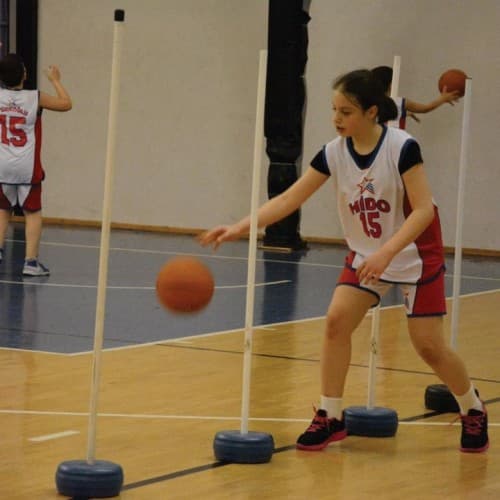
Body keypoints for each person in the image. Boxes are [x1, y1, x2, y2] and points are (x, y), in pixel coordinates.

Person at [199, 69, 489, 453]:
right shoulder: (334, 152)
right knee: (336, 322)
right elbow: (289, 199)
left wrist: (388, 252)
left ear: (371, 112)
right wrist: (241, 225)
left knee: (428, 346)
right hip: (367, 253)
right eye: (333, 109)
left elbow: (421, 212)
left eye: (346, 111)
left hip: (415, 252)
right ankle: (331, 415)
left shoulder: (402, 147)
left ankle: (472, 408)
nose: (337, 118)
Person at [0, 53, 72, 276]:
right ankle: (31, 263)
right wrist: (55, 80)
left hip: (2, 164)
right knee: (32, 213)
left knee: (2, 209)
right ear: (24, 73)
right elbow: (66, 104)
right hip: (26, 166)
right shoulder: (35, 98)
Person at [371, 65, 461, 129]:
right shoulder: (399, 102)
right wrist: (442, 99)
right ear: (391, 84)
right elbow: (425, 108)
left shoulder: (370, 103)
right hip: (395, 147)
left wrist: (403, 113)